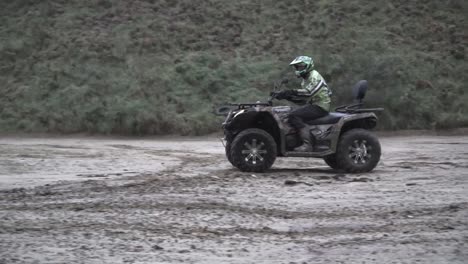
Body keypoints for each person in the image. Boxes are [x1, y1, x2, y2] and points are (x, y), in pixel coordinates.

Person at [275, 56, 332, 152]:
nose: (298, 69)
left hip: (320, 106)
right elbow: (303, 100)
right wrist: (286, 96)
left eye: (300, 67)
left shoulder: (314, 76)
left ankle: (307, 145)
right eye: (297, 67)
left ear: (308, 66)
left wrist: (291, 92)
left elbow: (309, 92)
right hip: (313, 105)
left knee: (294, 116)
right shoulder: (305, 81)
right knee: (289, 112)